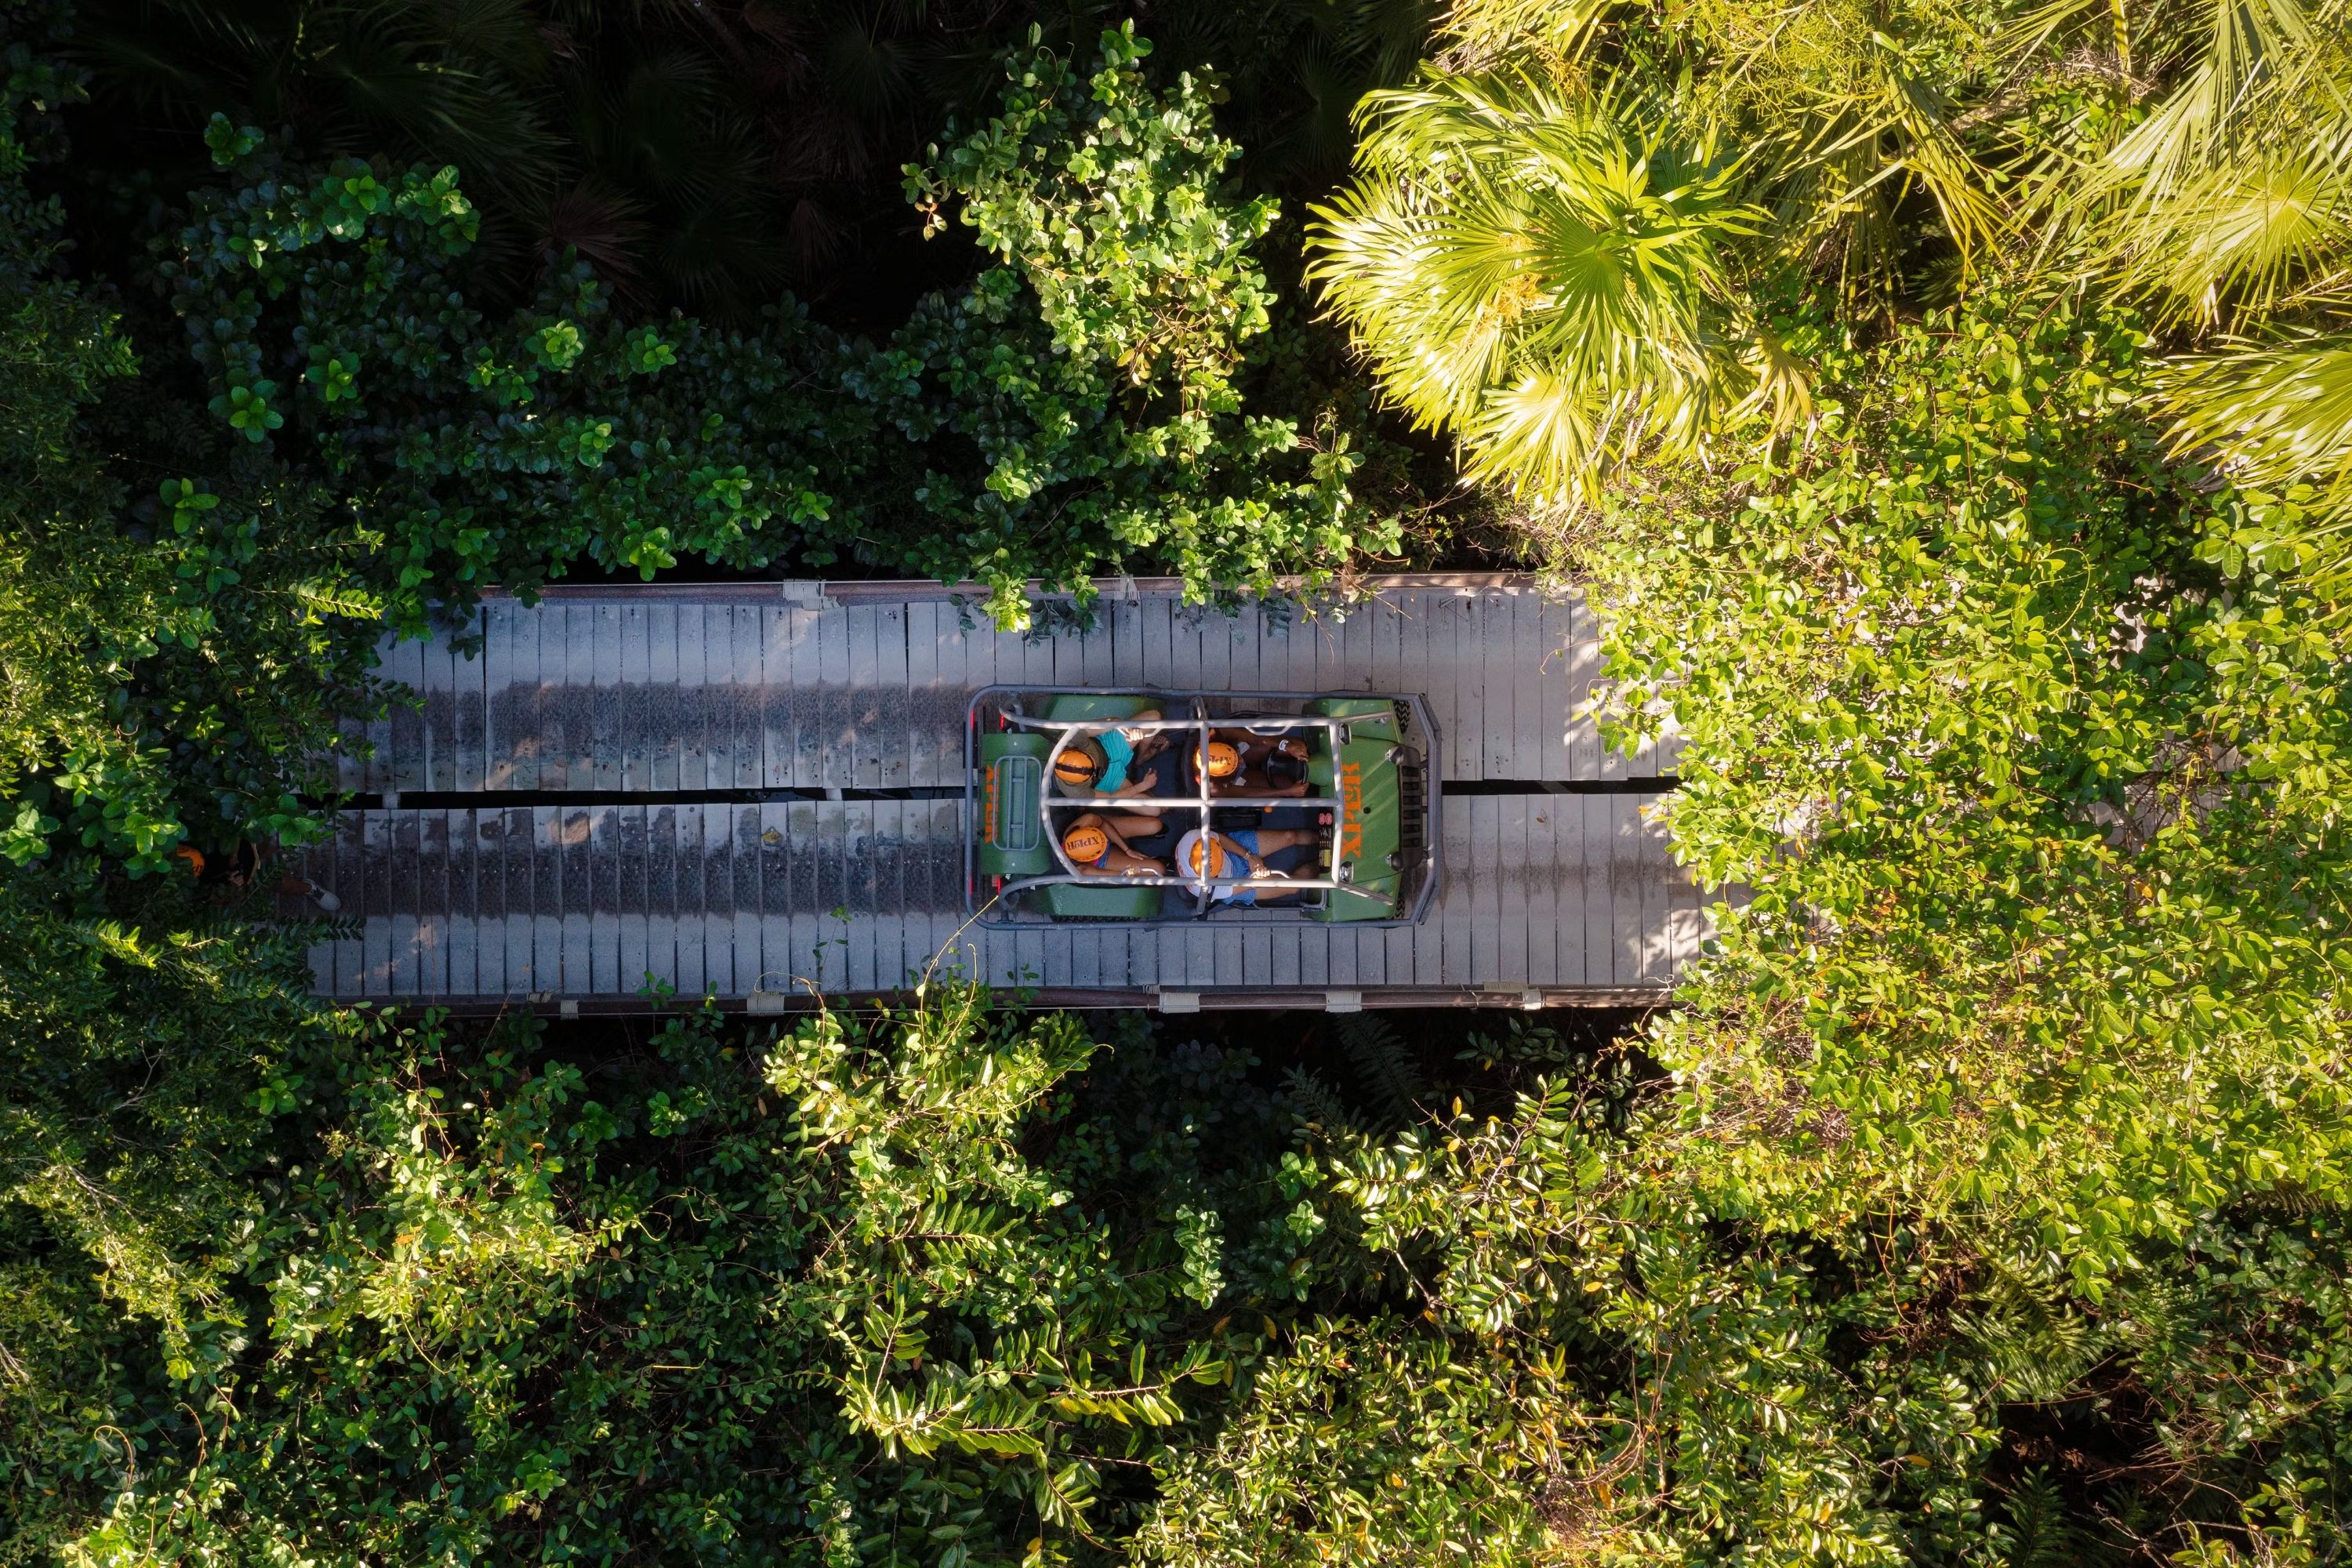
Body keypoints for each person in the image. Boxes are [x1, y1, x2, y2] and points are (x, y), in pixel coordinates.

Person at [1171, 825, 1319, 905]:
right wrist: (1258, 877)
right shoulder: (1205, 889)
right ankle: (1326, 868)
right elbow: (1249, 884)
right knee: (1293, 887)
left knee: (1289, 836)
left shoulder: (1193, 837)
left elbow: (1220, 839)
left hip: (1230, 852)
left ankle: (1325, 837)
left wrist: (1248, 856)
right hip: (1233, 882)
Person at [1051, 734, 1160, 800]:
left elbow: (1111, 721)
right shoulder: (1075, 792)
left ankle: (1142, 758)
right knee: (1154, 809)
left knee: (1153, 718)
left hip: (1107, 746)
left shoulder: (1071, 738)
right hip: (1106, 780)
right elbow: (1110, 798)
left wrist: (1127, 731)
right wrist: (1143, 786)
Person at [1061, 813, 1166, 877]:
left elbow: (1103, 824)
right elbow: (1121, 876)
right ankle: (1153, 859)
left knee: (1155, 825)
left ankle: (1149, 834)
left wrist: (1127, 850)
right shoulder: (1084, 870)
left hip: (1103, 831)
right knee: (1159, 869)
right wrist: (1132, 871)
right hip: (1102, 860)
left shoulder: (1088, 820)